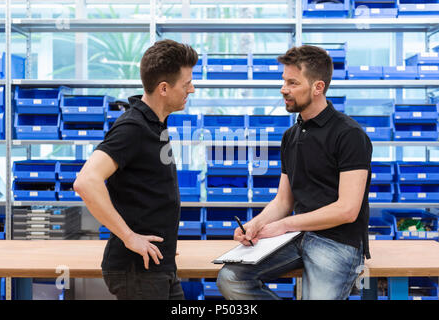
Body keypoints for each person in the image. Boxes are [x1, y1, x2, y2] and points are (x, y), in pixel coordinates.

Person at [216, 45, 372, 300]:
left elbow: (347, 210)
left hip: (338, 242)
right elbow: (283, 201)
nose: (283, 89)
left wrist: (284, 225)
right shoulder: (291, 136)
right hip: (297, 237)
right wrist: (256, 225)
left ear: (318, 87)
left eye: (292, 82)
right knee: (230, 278)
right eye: (283, 81)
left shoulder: (349, 135)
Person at [73, 39, 198, 300]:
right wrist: (130, 237)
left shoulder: (155, 124)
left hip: (157, 265)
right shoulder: (133, 127)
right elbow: (86, 181)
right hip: (137, 271)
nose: (192, 89)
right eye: (186, 84)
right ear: (164, 88)